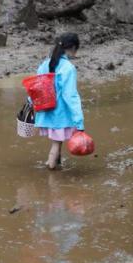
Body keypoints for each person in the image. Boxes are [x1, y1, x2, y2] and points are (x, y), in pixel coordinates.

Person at [35, 33, 84, 169]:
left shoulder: (45, 64)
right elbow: (70, 95)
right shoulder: (68, 68)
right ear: (73, 47)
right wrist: (79, 121)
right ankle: (52, 171)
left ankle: (56, 163)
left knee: (58, 140)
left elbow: (36, 87)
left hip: (47, 111)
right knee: (56, 143)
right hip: (60, 114)